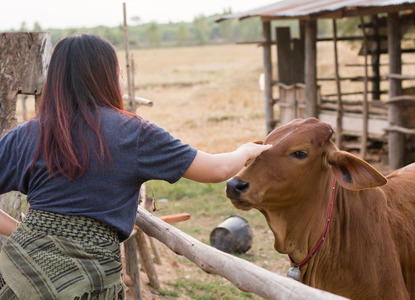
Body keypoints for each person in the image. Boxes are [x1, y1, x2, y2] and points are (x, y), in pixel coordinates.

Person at [0, 33, 271, 299]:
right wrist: (245, 150)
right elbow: (216, 170)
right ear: (105, 77)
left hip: (18, 276)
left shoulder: (26, 134)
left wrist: (23, 232)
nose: (121, 81)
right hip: (88, 285)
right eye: (119, 74)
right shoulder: (132, 133)